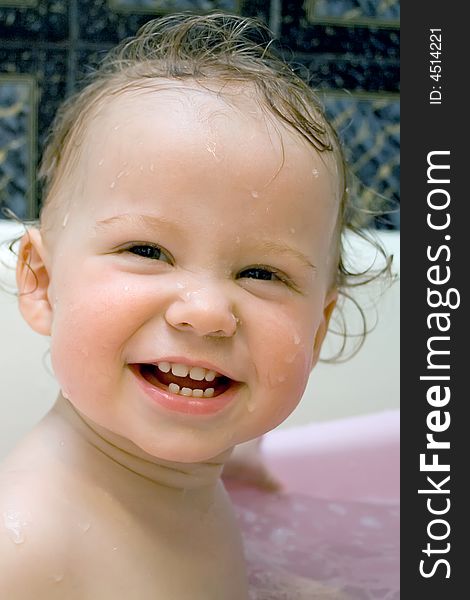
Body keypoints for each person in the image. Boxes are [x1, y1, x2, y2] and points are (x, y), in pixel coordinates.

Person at [0, 13, 389, 599]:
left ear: (317, 331)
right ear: (41, 281)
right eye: (148, 250)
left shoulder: (195, 463)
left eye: (262, 272)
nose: (206, 312)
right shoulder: (28, 545)